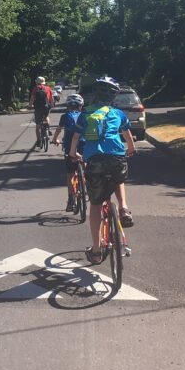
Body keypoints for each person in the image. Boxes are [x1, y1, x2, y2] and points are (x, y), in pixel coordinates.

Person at [68, 75, 136, 264]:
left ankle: (96, 251)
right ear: (113, 97)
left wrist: (74, 154)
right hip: (116, 157)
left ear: (95, 94)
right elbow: (127, 135)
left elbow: (75, 138)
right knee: (118, 178)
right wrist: (130, 149)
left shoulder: (85, 113)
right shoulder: (118, 114)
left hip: (95, 160)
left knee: (96, 205)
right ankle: (123, 208)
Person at [51, 93, 85, 211]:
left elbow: (58, 130)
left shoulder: (65, 116)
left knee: (70, 174)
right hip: (84, 146)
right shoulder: (85, 116)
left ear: (68, 106)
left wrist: (55, 140)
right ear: (81, 106)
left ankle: (71, 199)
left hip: (69, 147)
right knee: (87, 168)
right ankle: (86, 186)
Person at [29, 76, 54, 149]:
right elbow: (51, 98)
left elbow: (32, 98)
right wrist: (52, 105)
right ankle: (48, 129)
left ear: (37, 82)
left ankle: (39, 141)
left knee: (37, 126)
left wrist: (30, 105)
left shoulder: (35, 88)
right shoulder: (48, 88)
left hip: (38, 108)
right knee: (46, 117)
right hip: (46, 107)